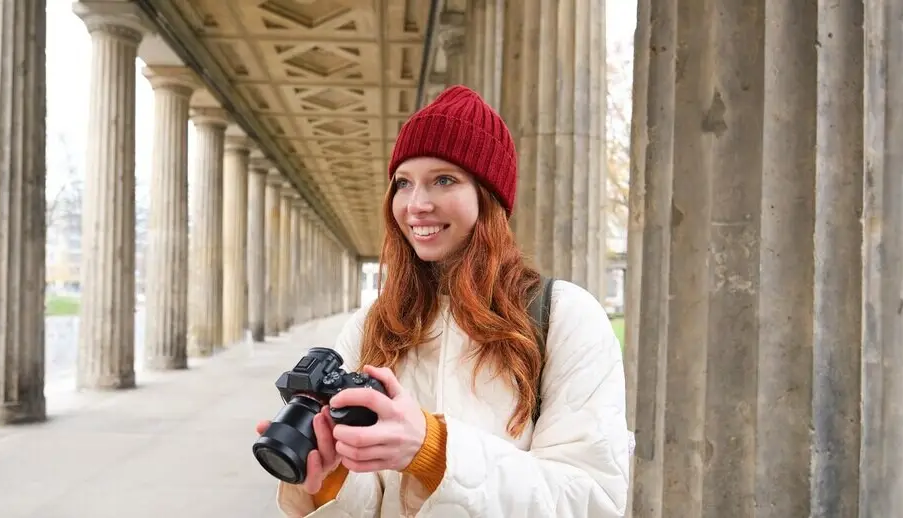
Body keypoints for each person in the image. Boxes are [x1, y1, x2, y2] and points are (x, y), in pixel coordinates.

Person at [256, 85, 632, 517]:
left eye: (444, 180)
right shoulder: (372, 325)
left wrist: (433, 449)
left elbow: (592, 501)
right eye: (404, 183)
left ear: (487, 197)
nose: (416, 205)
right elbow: (374, 503)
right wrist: (329, 480)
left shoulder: (563, 316)